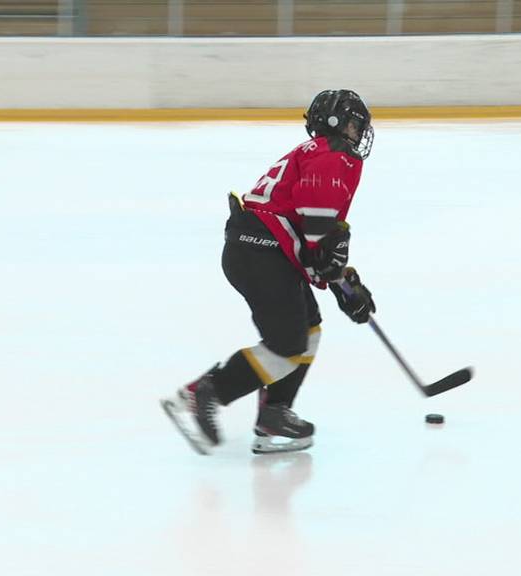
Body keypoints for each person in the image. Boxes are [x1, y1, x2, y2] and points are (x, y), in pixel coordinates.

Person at [161, 89, 376, 455]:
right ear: (337, 124)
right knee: (288, 343)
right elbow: (319, 240)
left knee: (306, 332)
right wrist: (342, 283)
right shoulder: (333, 157)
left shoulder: (318, 153)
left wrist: (343, 283)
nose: (360, 133)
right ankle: (203, 394)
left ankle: (274, 414)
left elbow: (315, 245)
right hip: (261, 252)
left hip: (258, 249)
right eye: (355, 125)